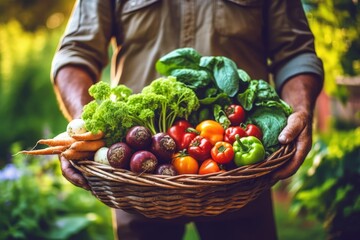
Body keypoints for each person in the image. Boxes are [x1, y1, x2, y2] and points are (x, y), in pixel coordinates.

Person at [51, 1, 324, 239]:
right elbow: (75, 54)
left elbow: (296, 52)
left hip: (239, 176)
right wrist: (82, 127)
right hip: (136, 178)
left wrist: (300, 110)